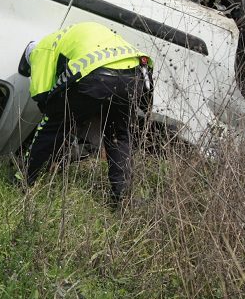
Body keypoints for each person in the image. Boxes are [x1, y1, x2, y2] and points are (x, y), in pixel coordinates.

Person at [17, 22, 153, 204]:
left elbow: (42, 96)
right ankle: (122, 198)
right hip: (133, 75)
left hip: (96, 72)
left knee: (52, 125)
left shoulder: (41, 49)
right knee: (118, 137)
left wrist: (64, 120)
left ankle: (23, 180)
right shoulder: (69, 36)